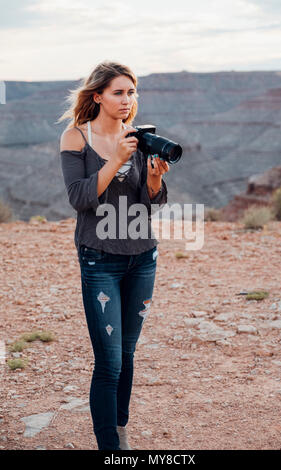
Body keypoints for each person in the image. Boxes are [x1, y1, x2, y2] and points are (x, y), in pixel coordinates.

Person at [57, 61, 169, 450]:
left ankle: (120, 431)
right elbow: (80, 198)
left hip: (142, 257)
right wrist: (117, 159)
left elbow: (146, 204)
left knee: (127, 352)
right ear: (97, 96)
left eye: (132, 92)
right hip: (99, 259)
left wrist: (154, 180)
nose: (127, 100)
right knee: (110, 362)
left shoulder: (136, 137)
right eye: (119, 92)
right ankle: (110, 448)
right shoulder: (76, 138)